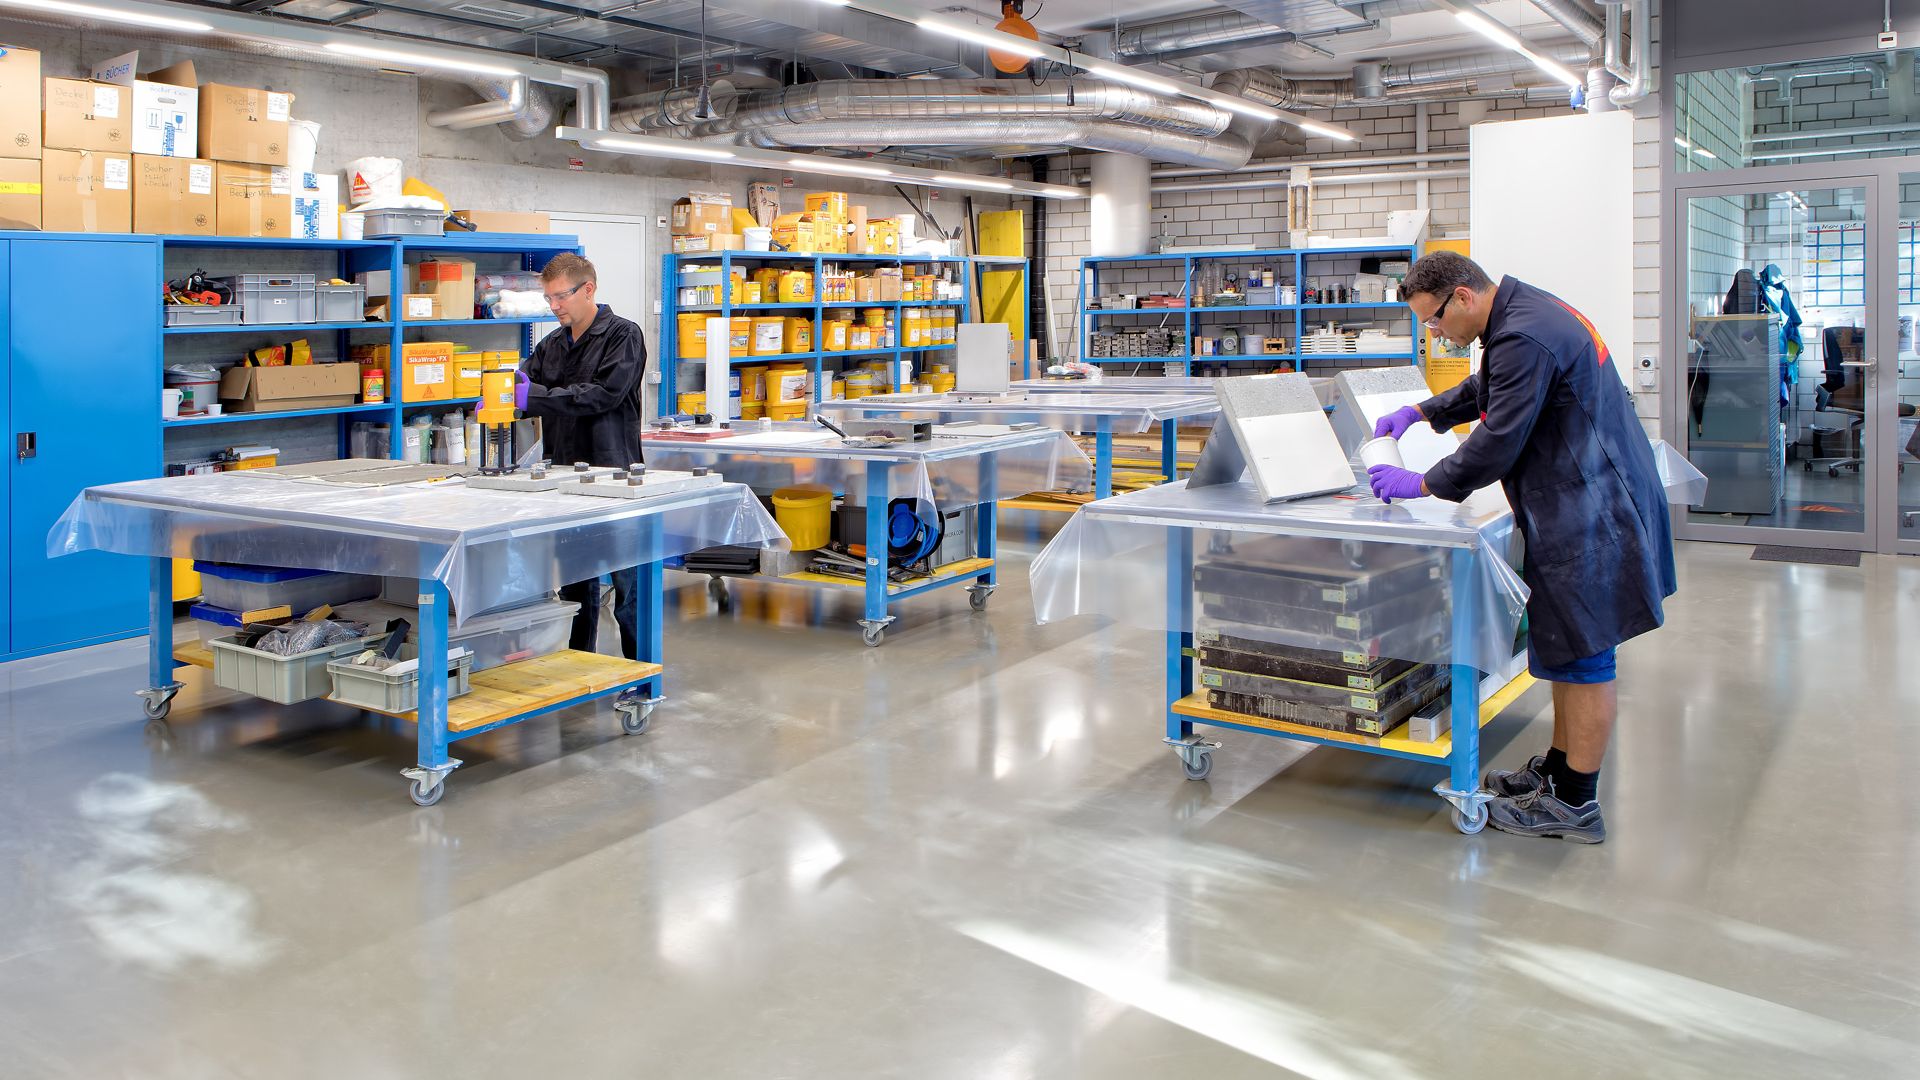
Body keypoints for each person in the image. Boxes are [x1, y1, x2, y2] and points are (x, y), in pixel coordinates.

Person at [1367, 251, 1675, 844]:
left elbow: (1498, 442)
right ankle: (1562, 773)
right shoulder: (1522, 316)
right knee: (1568, 649)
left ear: (1461, 296)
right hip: (1588, 500)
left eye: (1432, 320)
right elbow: (1492, 387)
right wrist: (1423, 411)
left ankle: (1576, 805)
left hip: (1591, 513)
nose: (1433, 333)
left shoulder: (1524, 333)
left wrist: (1423, 484)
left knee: (1586, 658)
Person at [515, 252, 649, 659]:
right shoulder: (552, 344)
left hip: (613, 476)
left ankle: (640, 673)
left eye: (561, 297)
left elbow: (604, 395)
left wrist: (534, 397)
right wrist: (504, 393)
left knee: (628, 585)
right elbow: (523, 383)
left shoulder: (624, 336)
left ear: (588, 289)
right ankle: (579, 667)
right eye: (549, 299)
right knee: (575, 582)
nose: (554, 306)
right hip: (563, 475)